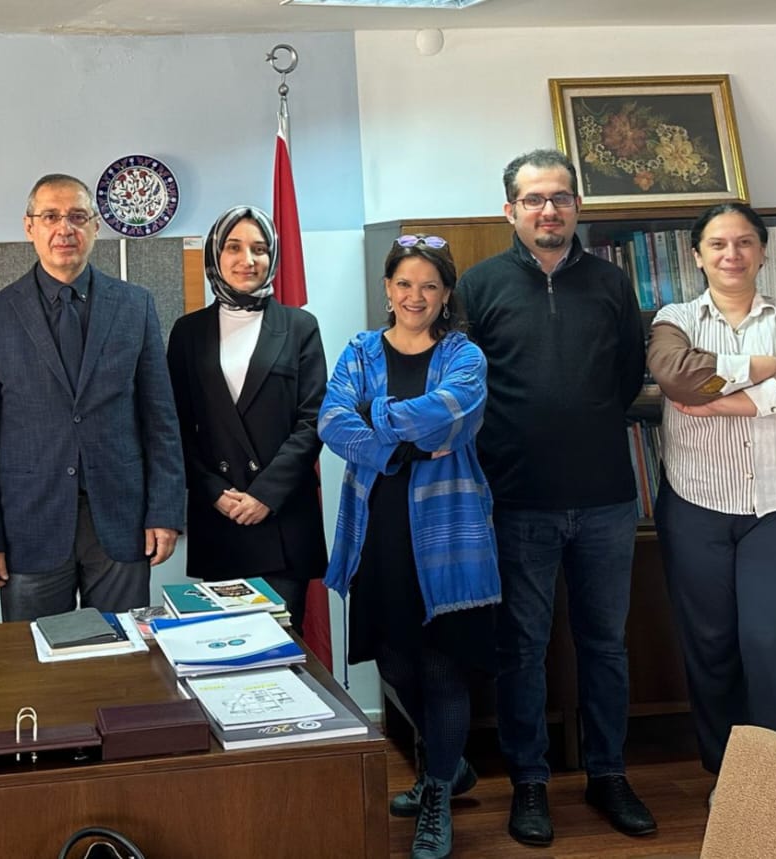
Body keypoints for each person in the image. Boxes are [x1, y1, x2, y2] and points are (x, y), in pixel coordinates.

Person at [454, 149, 654, 845]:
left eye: (561, 198)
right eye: (535, 199)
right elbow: (464, 386)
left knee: (606, 646)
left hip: (605, 499)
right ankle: (530, 783)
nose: (549, 210)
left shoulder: (610, 283)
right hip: (517, 500)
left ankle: (608, 774)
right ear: (510, 209)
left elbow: (628, 375)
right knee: (523, 649)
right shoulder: (479, 285)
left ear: (577, 208)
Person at [320, 235, 499, 859]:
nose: (415, 296)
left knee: (443, 666)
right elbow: (332, 420)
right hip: (378, 529)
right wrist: (402, 442)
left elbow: (455, 415)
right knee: (395, 662)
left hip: (449, 531)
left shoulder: (463, 355)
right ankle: (447, 764)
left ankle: (437, 793)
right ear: (387, 289)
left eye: (429, 286)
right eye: (404, 284)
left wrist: (376, 413)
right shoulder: (360, 350)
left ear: (446, 294)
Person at [646, 203, 776, 781]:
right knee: (711, 646)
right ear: (697, 255)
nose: (732, 254)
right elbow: (677, 375)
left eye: (745, 242)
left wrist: (725, 401)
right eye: (718, 244)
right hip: (697, 505)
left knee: (769, 641)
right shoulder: (676, 317)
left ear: (762, 251)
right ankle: (731, 780)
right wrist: (763, 367)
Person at [0, 173, 184, 622]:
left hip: (121, 520)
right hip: (29, 525)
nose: (65, 228)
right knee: (35, 656)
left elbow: (161, 421)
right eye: (51, 216)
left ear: (96, 227)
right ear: (29, 227)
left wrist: (165, 511)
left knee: (124, 651)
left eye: (78, 216)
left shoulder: (135, 305)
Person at [165, 206, 326, 633]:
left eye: (259, 249)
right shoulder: (188, 332)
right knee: (225, 648)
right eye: (234, 248)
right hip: (219, 514)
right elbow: (174, 426)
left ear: (273, 256)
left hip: (281, 515)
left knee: (281, 648)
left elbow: (313, 420)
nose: (247, 260)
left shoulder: (300, 326)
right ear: (215, 254)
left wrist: (265, 495)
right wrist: (213, 491)